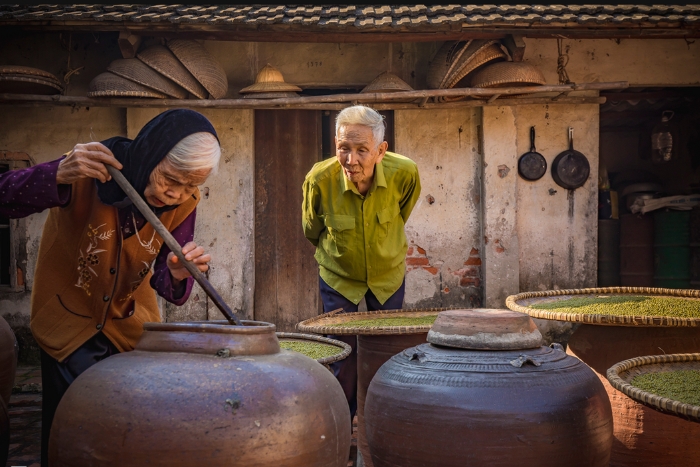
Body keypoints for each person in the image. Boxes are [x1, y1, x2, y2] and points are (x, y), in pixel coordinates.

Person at [0, 109, 219, 466]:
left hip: (130, 329)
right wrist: (55, 174)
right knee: (72, 433)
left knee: (124, 434)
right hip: (67, 324)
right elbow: (4, 198)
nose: (176, 194)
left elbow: (165, 275)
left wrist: (180, 273)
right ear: (151, 154)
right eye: (170, 179)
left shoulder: (184, 201)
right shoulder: (90, 169)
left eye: (190, 185)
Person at [301, 105, 421, 419]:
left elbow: (403, 212)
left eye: (362, 150)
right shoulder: (320, 179)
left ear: (381, 151)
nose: (351, 160)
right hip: (339, 276)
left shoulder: (404, 172)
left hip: (387, 274)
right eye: (344, 149)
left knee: (386, 351)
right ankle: (344, 421)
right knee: (343, 354)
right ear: (335, 146)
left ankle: (381, 418)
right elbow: (311, 229)